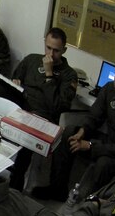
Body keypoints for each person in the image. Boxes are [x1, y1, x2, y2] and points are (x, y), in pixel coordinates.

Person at [33, 56, 115, 201]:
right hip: (105, 140)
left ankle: (86, 204)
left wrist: (90, 146)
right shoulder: (110, 89)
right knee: (69, 133)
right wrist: (82, 132)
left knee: (103, 164)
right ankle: (57, 188)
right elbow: (94, 116)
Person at [6, 28, 78, 191]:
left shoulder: (69, 75)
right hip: (20, 106)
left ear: (64, 50)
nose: (51, 54)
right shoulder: (31, 59)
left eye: (56, 50)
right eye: (48, 48)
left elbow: (59, 105)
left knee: (26, 137)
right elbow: (15, 78)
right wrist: (15, 81)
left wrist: (49, 74)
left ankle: (14, 186)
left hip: (43, 117)